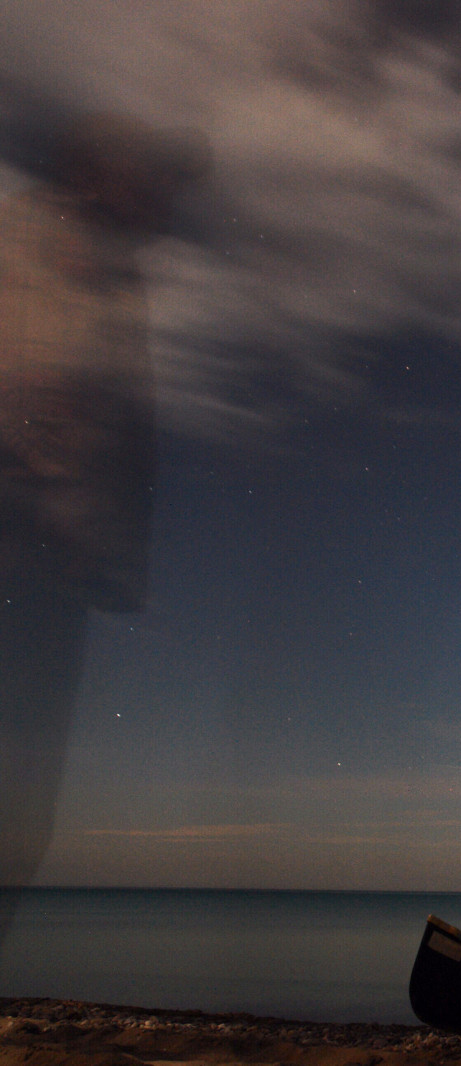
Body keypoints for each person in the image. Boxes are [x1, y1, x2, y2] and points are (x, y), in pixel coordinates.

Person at [0, 112, 207, 946]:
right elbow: (42, 397)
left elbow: (114, 429)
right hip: (25, 544)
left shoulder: (111, 280)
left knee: (21, 805)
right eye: (152, 175)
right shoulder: (25, 245)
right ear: (94, 163)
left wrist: (104, 551)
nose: (165, 205)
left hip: (55, 563)